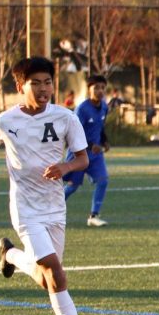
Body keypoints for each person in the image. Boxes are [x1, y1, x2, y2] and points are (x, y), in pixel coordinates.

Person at [0, 56, 103, 315]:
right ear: (20, 86)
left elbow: (83, 159)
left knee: (47, 281)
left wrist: (66, 166)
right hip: (25, 209)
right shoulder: (6, 120)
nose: (44, 89)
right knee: (56, 272)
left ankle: (11, 256)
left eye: (48, 82)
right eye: (36, 83)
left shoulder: (66, 117)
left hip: (55, 208)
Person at [63, 74, 112, 227]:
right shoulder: (82, 109)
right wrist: (91, 145)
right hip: (79, 154)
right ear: (89, 89)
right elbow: (75, 132)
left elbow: (100, 127)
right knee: (72, 186)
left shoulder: (104, 106)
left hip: (96, 155)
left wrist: (104, 141)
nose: (100, 90)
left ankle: (93, 215)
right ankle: (49, 212)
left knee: (103, 181)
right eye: (96, 87)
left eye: (103, 88)